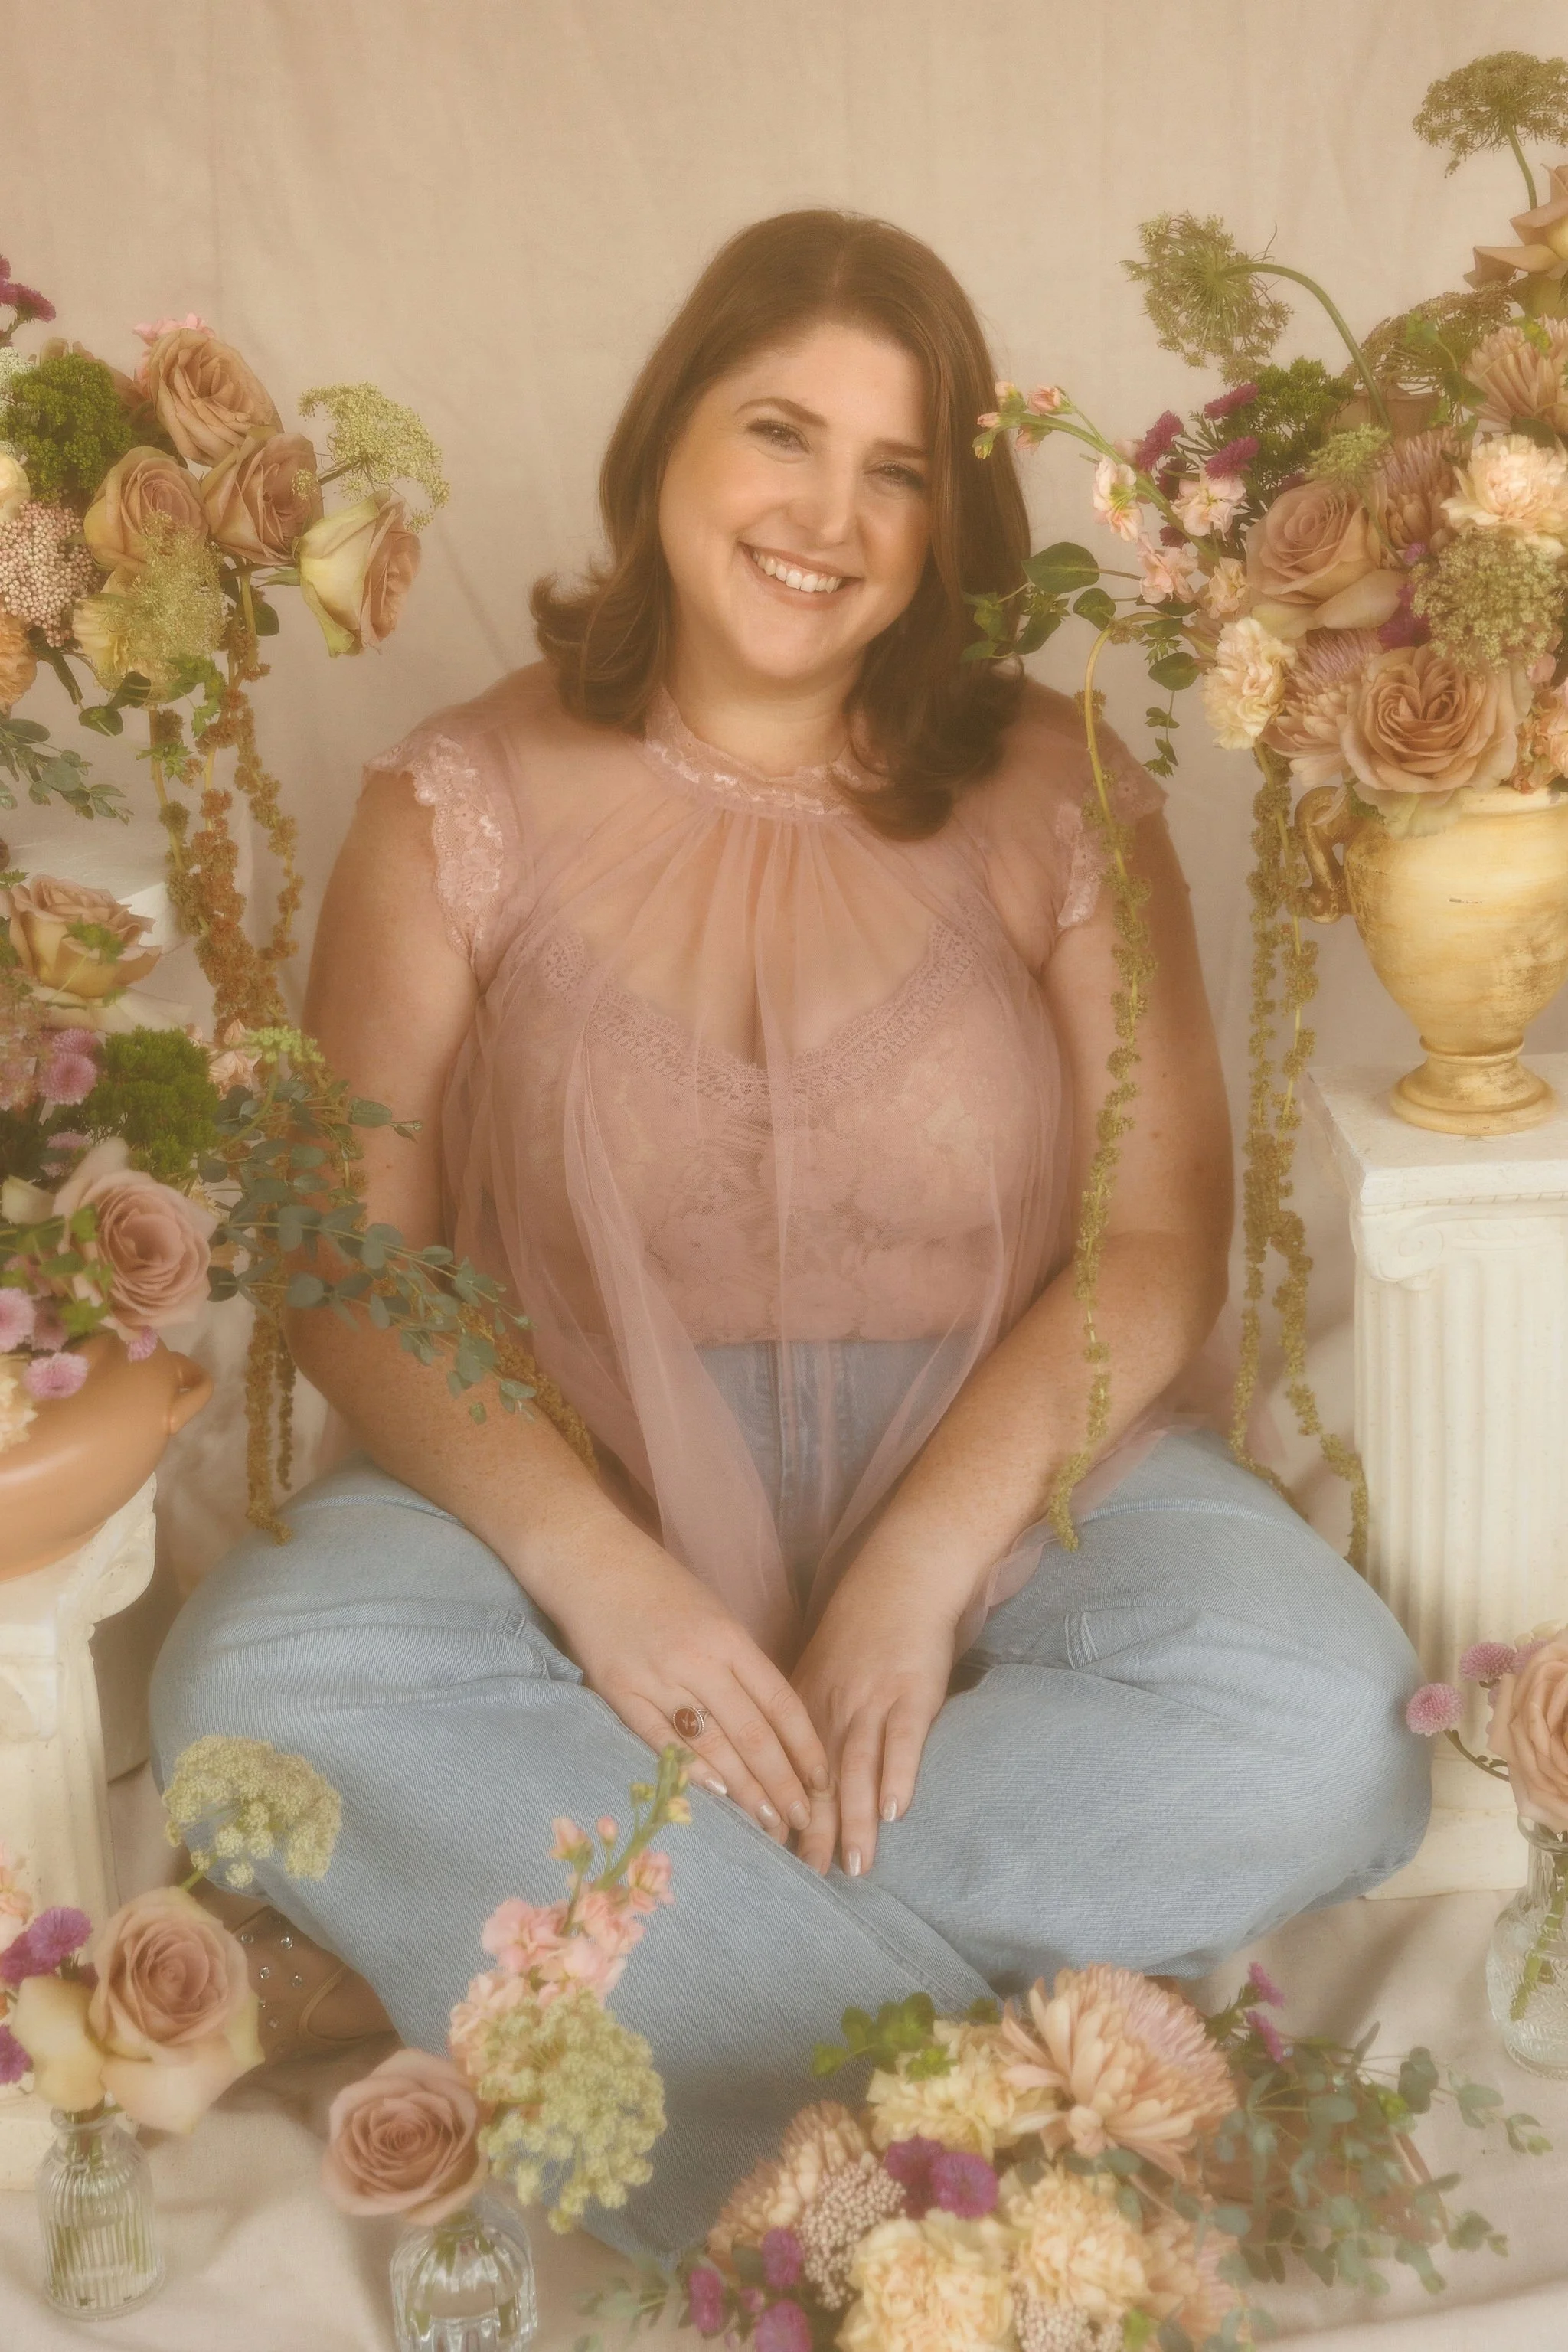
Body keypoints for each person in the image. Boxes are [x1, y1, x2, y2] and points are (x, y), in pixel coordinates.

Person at [150, 208, 1429, 2257]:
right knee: (254, 1684)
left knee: (1338, 1722)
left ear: (949, 526)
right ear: (666, 442)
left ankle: (610, 1999)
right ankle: (980, 2141)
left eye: (900, 472)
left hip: (1016, 1467)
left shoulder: (1058, 782)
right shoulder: (454, 800)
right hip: (552, 1466)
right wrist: (598, 1573)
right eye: (780, 433)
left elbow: (1155, 1243)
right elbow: (345, 1267)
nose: (828, 514)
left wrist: (921, 1565)